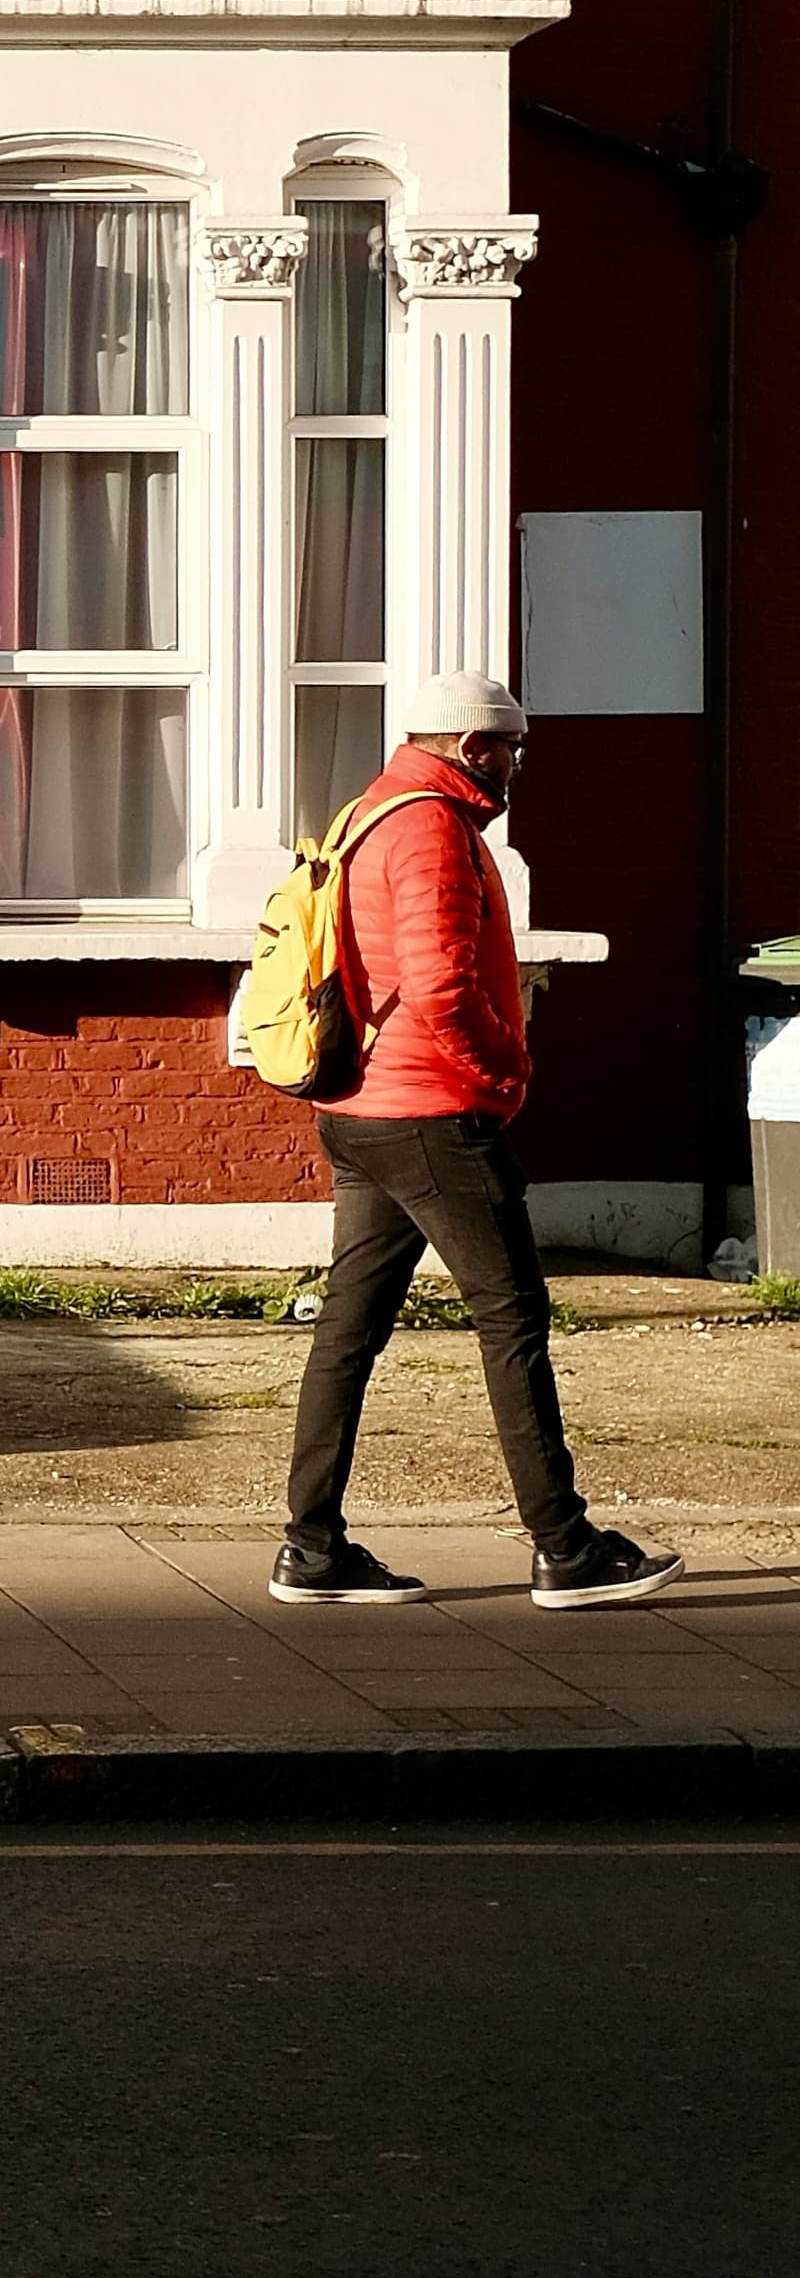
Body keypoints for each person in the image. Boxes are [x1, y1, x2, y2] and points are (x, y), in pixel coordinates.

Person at [274, 671, 682, 1604]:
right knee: (513, 1320)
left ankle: (311, 1547)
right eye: (510, 751)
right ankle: (567, 1549)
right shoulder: (429, 829)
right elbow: (441, 985)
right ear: (471, 747)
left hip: (362, 1111)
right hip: (429, 1114)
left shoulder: (369, 812)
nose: (514, 770)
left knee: (349, 1329)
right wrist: (505, 1070)